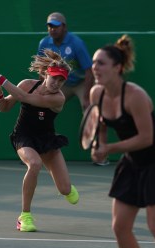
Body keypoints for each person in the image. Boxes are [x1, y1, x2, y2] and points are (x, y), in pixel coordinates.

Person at [90, 35, 155, 248]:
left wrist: (109, 148)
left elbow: (146, 138)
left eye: (101, 63)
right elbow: (101, 123)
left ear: (117, 68)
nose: (94, 67)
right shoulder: (96, 93)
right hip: (133, 164)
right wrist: (99, 142)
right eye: (94, 62)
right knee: (120, 227)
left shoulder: (135, 95)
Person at [0, 49, 79, 232]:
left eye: (62, 80)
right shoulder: (26, 84)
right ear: (45, 74)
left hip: (47, 140)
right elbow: (4, 108)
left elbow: (24, 98)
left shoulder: (58, 98)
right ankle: (24, 216)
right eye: (55, 78)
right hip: (23, 137)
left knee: (66, 189)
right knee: (34, 164)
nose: (57, 83)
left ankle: (66, 189)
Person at [39, 12, 109, 166]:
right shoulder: (44, 43)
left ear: (64, 27)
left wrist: (85, 96)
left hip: (80, 83)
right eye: (50, 26)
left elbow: (89, 70)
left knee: (91, 110)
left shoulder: (76, 43)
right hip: (59, 83)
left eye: (56, 26)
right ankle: (37, 149)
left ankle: (100, 153)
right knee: (40, 106)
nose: (52, 29)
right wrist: (42, 90)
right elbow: (41, 69)